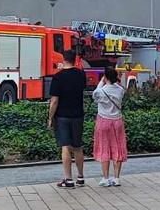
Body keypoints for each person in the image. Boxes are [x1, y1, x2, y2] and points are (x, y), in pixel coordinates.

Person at [48, 49, 87, 188]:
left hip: (62, 116)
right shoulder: (80, 74)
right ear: (75, 59)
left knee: (65, 146)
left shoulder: (58, 77)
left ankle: (68, 179)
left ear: (63, 59)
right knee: (77, 146)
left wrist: (50, 118)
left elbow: (54, 101)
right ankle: (81, 177)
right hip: (78, 115)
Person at [93, 68, 127, 186]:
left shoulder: (100, 91)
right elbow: (119, 88)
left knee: (104, 147)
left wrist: (102, 81)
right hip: (117, 121)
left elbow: (95, 94)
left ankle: (105, 178)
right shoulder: (120, 90)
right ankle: (116, 178)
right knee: (118, 147)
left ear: (105, 77)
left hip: (103, 120)